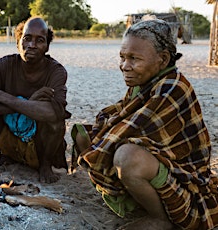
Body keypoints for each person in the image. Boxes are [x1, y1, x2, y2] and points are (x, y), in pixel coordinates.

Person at [72, 19, 218, 229]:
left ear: (163, 59)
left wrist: (102, 145)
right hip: (157, 161)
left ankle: (160, 218)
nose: (124, 66)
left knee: (126, 157)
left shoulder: (173, 87)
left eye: (134, 58)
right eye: (122, 57)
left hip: (185, 178)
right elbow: (125, 119)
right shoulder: (144, 82)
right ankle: (134, 197)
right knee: (84, 134)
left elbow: (133, 131)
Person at [0, 17, 71, 184]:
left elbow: (53, 113)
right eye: (27, 38)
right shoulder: (3, 65)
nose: (32, 45)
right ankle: (3, 154)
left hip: (41, 146)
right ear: (18, 42)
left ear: (47, 46)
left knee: (56, 121)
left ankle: (45, 166)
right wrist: (24, 104)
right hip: (10, 138)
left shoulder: (56, 72)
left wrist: (5, 98)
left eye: (39, 40)